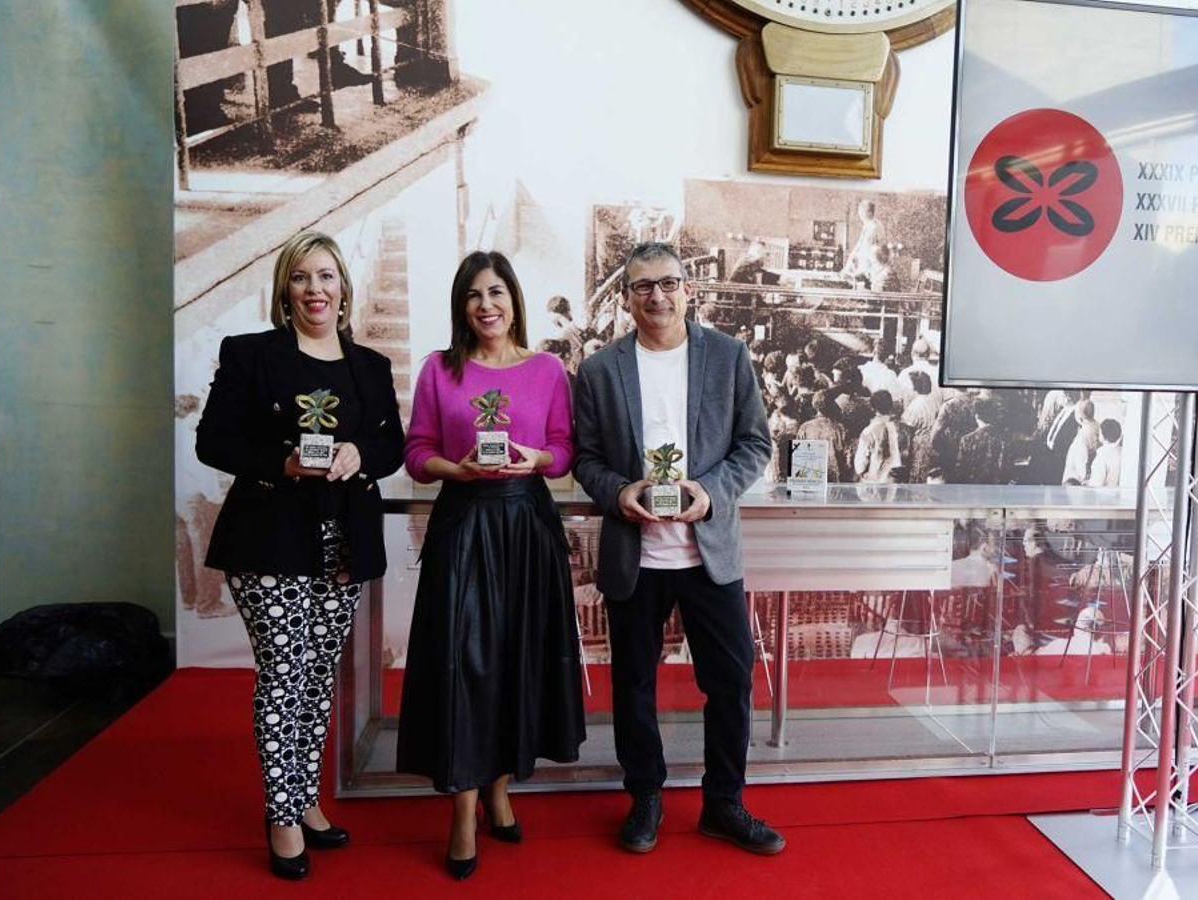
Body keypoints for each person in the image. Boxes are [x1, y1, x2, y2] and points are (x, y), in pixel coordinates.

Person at [196, 231, 404, 881]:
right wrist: (282, 463)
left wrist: (360, 455)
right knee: (285, 674)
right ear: (284, 292)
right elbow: (213, 441)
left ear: (344, 287)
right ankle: (282, 814)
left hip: (341, 543)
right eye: (300, 278)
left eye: (326, 276)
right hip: (268, 540)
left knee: (316, 680)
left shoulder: (369, 365)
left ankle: (305, 799)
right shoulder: (251, 355)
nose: (315, 289)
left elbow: (391, 445)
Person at [572, 241, 782, 856]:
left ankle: (724, 803)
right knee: (634, 683)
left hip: (709, 553)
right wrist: (620, 491)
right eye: (643, 286)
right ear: (627, 297)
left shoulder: (728, 356)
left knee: (730, 680)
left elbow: (754, 446)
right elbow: (584, 458)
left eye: (668, 283)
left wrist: (709, 492)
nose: (657, 296)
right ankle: (645, 797)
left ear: (689, 289)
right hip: (636, 555)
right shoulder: (600, 370)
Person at [396, 251, 585, 880]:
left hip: (527, 526)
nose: (487, 306)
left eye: (497, 292)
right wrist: (460, 469)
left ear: (514, 300)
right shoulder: (438, 370)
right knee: (464, 666)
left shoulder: (548, 369)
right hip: (464, 524)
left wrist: (534, 458)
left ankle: (501, 788)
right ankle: (462, 809)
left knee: (516, 660)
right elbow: (417, 452)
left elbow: (563, 452)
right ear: (461, 306)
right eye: (474, 295)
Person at [1086, 418, 1124, 488]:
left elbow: (1096, 484)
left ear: (1104, 436)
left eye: (1099, 432)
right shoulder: (1122, 451)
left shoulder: (1102, 456)